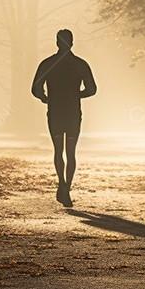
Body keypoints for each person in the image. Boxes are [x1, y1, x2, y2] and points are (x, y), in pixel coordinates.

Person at [32, 29, 96, 207]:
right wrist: (76, 95)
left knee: (58, 150)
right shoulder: (80, 64)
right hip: (73, 113)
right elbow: (92, 89)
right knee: (71, 152)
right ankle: (67, 187)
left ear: (57, 43)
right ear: (72, 43)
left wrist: (46, 98)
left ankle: (61, 182)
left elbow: (35, 89)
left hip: (55, 112)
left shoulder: (47, 64)